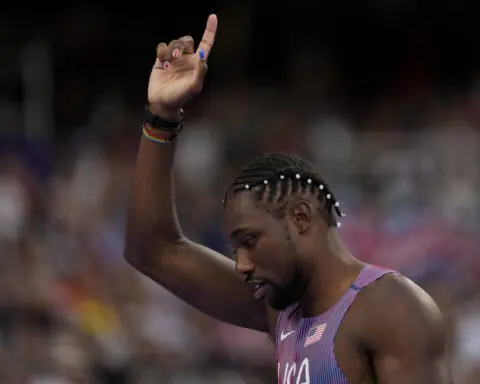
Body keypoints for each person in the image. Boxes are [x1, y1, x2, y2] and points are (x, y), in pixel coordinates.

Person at [124, 14, 452, 384]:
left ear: (299, 218)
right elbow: (152, 251)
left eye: (249, 241)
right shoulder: (280, 310)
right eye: (236, 250)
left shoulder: (391, 308)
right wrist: (162, 116)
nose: (241, 265)